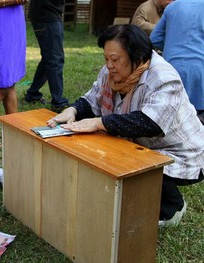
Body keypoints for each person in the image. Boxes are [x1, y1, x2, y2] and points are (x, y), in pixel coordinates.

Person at [48, 24, 204, 227]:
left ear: (137, 57)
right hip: (144, 145)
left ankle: (172, 207)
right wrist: (73, 110)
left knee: (130, 160)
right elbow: (93, 98)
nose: (109, 66)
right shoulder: (110, 72)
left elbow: (149, 123)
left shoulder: (164, 78)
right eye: (106, 59)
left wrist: (99, 122)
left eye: (115, 59)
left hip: (182, 152)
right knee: (108, 148)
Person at [150, 0, 204, 122]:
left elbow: (154, 39)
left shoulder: (173, 6)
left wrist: (173, 45)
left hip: (171, 69)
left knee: (172, 120)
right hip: (200, 71)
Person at [24, 0, 70, 113]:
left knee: (48, 58)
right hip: (47, 14)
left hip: (46, 13)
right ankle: (58, 103)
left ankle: (33, 94)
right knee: (55, 59)